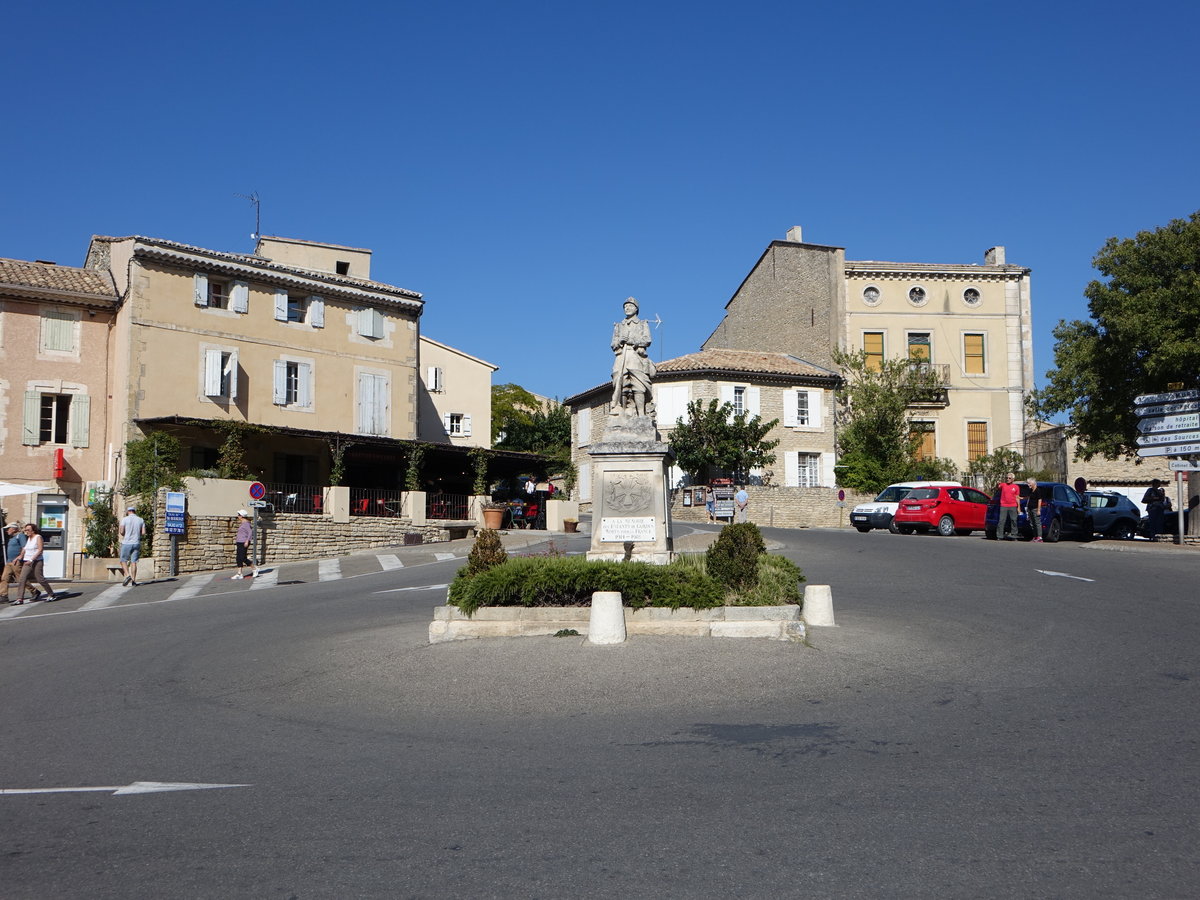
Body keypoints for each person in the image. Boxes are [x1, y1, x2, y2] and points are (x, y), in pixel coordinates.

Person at [610, 298, 656, 418]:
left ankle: (641, 413)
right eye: (625, 306)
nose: (627, 308)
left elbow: (647, 339)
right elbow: (613, 344)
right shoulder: (619, 326)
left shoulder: (642, 324)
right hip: (621, 357)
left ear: (636, 308)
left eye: (630, 306)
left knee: (639, 384)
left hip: (635, 356)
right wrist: (620, 341)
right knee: (620, 383)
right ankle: (623, 412)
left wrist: (632, 341)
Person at [14, 523, 58, 603]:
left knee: (40, 579)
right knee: (22, 579)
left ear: (33, 530)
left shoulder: (38, 537)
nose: (26, 531)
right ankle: (19, 599)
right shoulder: (28, 539)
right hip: (27, 561)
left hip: (37, 561)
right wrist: (20, 556)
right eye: (25, 530)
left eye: (28, 530)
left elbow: (40, 550)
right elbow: (25, 548)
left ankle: (51, 594)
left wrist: (32, 560)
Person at [118, 504, 146, 586]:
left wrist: (125, 534)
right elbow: (143, 532)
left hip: (127, 542)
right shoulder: (141, 520)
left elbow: (122, 531)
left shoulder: (124, 519)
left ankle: (127, 575)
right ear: (134, 511)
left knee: (123, 560)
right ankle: (133, 580)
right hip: (136, 542)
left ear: (128, 511)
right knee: (134, 562)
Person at [3, 522, 27, 602]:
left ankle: (34, 591)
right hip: (9, 562)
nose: (7, 531)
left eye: (8, 529)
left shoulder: (20, 536)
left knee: (20, 578)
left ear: (14, 529)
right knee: (4, 578)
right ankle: (3, 595)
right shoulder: (11, 538)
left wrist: (19, 557)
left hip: (16, 561)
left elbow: (24, 547)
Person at [232, 510, 259, 580]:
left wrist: (247, 541)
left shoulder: (246, 523)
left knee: (243, 558)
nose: (237, 516)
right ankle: (239, 574)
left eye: (238, 514)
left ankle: (254, 568)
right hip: (239, 542)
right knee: (238, 558)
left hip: (244, 542)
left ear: (242, 516)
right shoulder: (242, 523)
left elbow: (250, 533)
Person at [996, 472, 1021, 540]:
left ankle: (1014, 535)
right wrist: (997, 484)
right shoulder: (1003, 485)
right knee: (1001, 520)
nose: (1008, 479)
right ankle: (1000, 536)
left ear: (1013, 479)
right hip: (1003, 505)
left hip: (1013, 505)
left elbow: (1017, 497)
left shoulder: (1016, 487)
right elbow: (998, 486)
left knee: (1013, 520)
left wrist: (1018, 507)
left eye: (1009, 478)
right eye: (1007, 478)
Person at [1025, 478, 1043, 543]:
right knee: (1032, 523)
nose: (1028, 485)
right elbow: (1029, 498)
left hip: (1035, 509)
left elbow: (1039, 500)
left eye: (1029, 483)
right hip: (1030, 509)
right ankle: (1035, 537)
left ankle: (1039, 537)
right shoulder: (1030, 491)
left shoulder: (1038, 490)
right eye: (1028, 483)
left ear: (1033, 483)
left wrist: (1038, 510)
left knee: (1037, 523)